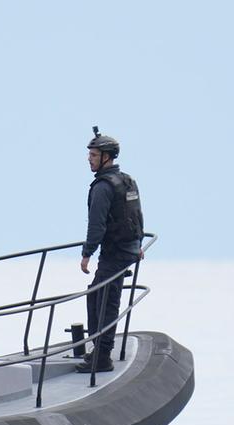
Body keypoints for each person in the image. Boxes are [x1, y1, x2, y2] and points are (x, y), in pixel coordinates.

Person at [77, 127, 144, 373]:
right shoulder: (126, 181)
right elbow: (137, 216)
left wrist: (87, 254)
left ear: (106, 157)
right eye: (90, 154)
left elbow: (97, 225)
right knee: (99, 295)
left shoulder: (103, 187)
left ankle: (103, 356)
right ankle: (100, 350)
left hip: (114, 253)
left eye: (94, 155)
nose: (89, 159)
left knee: (104, 300)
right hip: (127, 250)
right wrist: (137, 246)